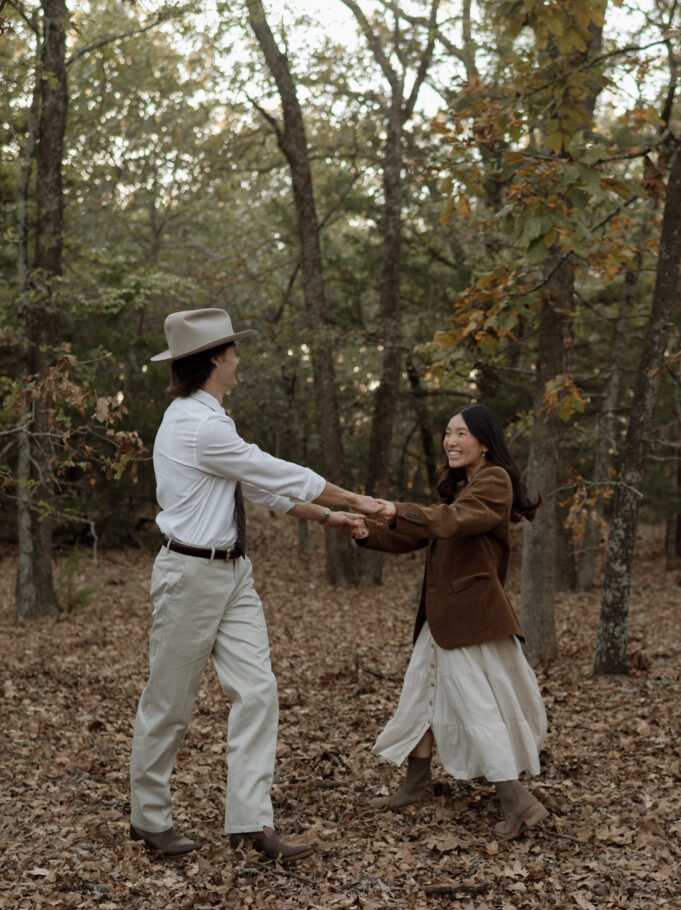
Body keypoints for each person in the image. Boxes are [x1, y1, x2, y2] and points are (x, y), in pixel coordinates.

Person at [129, 307, 378, 861]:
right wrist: (354, 499)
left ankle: (250, 820)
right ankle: (148, 818)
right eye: (234, 351)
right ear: (216, 357)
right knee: (169, 702)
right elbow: (271, 471)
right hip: (190, 574)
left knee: (258, 692)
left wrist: (328, 519)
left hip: (233, 572)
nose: (239, 360)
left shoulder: (210, 419)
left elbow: (258, 489)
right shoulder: (196, 423)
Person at [352, 404, 548, 840]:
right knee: (421, 694)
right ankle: (415, 787)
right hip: (443, 620)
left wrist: (394, 509)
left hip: (470, 618)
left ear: (484, 441)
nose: (451, 441)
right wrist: (370, 532)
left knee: (477, 709)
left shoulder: (493, 481)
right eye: (447, 432)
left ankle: (517, 801)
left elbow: (453, 522)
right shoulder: (462, 486)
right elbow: (426, 533)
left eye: (461, 433)